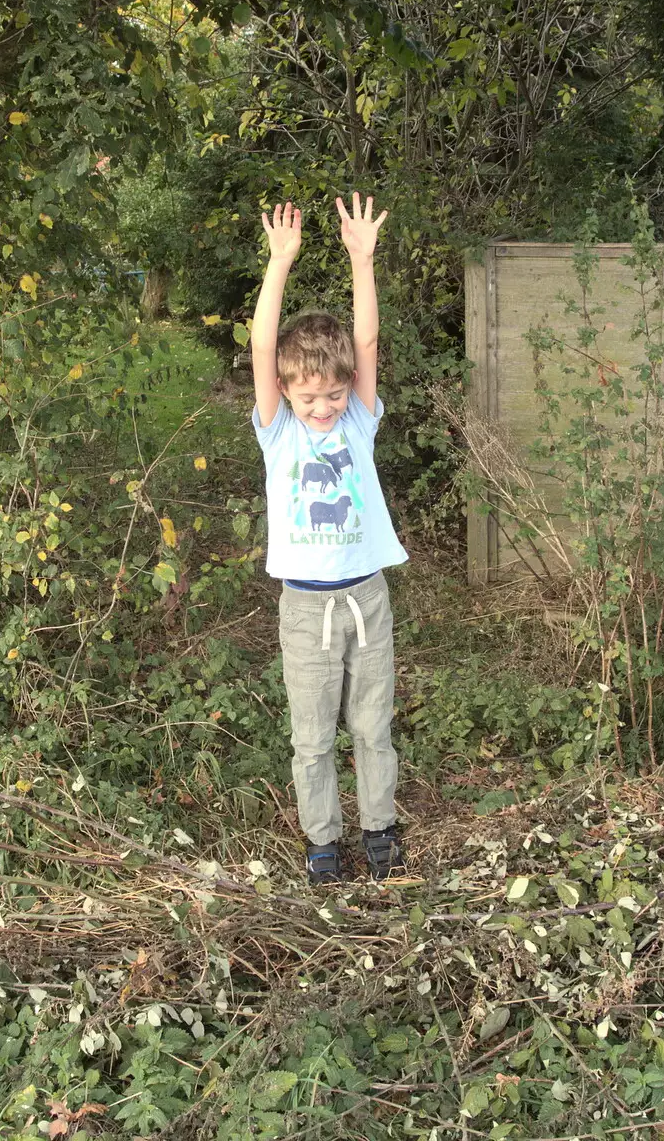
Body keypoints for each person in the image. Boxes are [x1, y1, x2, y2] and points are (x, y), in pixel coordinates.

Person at [249, 194, 409, 885]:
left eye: (333, 395)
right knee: (312, 737)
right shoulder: (278, 429)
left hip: (365, 599)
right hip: (305, 610)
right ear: (287, 392)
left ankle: (379, 824)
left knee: (373, 725)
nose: (322, 409)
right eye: (309, 397)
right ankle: (323, 839)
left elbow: (367, 343)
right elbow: (262, 343)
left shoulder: (357, 425)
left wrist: (361, 260)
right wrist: (280, 263)